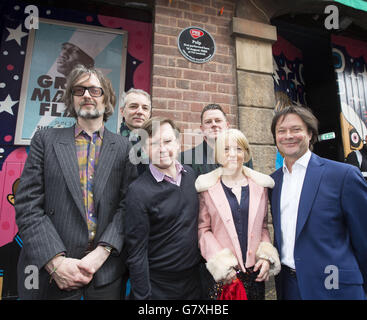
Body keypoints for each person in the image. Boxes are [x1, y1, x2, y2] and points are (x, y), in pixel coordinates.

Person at [15, 65, 137, 300]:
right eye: (79, 90)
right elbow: (28, 205)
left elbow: (127, 206)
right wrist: (55, 262)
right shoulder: (45, 140)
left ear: (107, 99)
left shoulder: (125, 147)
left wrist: (101, 253)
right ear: (71, 99)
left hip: (105, 272)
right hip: (50, 272)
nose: (87, 95)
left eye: (95, 90)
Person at [269, 105, 367, 300]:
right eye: (281, 131)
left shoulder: (343, 175)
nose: (288, 135)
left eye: (296, 129)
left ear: (310, 134)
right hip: (289, 288)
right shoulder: (273, 182)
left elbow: (364, 238)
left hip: (335, 287)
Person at [195, 129, 280, 300]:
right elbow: (203, 229)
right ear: (219, 153)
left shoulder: (260, 186)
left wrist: (265, 257)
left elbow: (263, 226)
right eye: (226, 149)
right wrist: (222, 265)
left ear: (246, 153)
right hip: (224, 278)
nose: (233, 154)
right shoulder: (207, 188)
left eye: (238, 149)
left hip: (255, 274)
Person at [125, 117, 201, 299]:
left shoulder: (191, 176)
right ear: (144, 149)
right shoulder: (138, 191)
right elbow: (136, 253)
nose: (163, 149)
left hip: (194, 283)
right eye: (154, 144)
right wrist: (143, 296)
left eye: (167, 141)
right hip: (159, 287)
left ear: (178, 143)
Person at [180, 104, 252, 177]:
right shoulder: (186, 158)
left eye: (218, 121)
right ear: (201, 129)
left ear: (227, 126)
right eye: (208, 122)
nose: (214, 124)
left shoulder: (242, 155)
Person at [119, 88, 152, 174]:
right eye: (133, 106)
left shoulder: (156, 144)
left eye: (145, 108)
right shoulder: (112, 144)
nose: (140, 111)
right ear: (122, 111)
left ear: (149, 114)